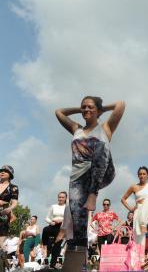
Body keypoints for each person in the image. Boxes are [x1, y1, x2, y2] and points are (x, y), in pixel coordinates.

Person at [55, 96, 125, 269]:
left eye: (90, 107)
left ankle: (93, 194)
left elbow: (120, 104)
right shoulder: (76, 129)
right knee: (78, 222)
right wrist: (82, 110)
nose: (86, 109)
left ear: (98, 111)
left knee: (101, 146)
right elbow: (59, 112)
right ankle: (79, 264)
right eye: (83, 107)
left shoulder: (106, 128)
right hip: (78, 178)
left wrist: (101, 108)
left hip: (102, 171)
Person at [121, 166, 148, 246]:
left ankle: (143, 224)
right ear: (138, 176)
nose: (142, 176)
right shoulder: (133, 187)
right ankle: (139, 254)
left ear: (147, 175)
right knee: (138, 236)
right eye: (140, 174)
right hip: (138, 212)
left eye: (144, 174)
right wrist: (131, 209)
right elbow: (123, 199)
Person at [41, 191, 67, 264]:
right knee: (45, 229)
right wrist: (50, 222)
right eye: (59, 197)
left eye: (62, 197)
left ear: (65, 198)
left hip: (62, 227)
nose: (61, 198)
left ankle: (53, 264)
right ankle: (45, 247)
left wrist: (62, 220)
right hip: (53, 225)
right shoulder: (53, 206)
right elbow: (47, 218)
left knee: (57, 245)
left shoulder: (67, 207)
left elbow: (69, 218)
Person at [0, 165, 19, 248]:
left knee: (1, 244)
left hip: (3, 215)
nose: (2, 172)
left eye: (5, 171)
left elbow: (14, 202)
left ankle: (3, 259)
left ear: (10, 174)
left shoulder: (13, 188)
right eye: (1, 170)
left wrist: (10, 208)